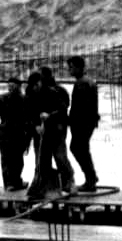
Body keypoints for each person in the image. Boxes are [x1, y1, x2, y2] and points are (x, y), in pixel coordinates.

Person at [29, 64, 75, 200]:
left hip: (56, 131)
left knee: (60, 157)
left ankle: (69, 183)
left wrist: (49, 116)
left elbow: (63, 110)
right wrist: (36, 126)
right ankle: (43, 187)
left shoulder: (56, 92)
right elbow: (29, 113)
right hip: (40, 133)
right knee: (41, 160)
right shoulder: (31, 94)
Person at [67, 55, 100, 191]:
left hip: (82, 123)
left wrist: (70, 120)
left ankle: (90, 178)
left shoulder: (81, 83)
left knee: (77, 148)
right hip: (88, 122)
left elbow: (80, 108)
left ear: (79, 67)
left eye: (71, 67)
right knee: (81, 149)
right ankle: (91, 177)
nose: (70, 70)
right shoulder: (87, 81)